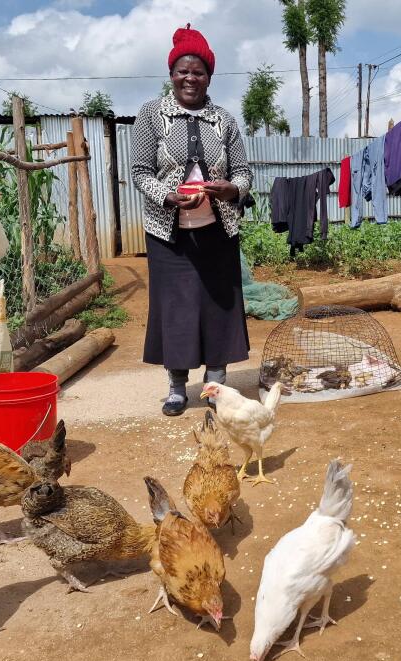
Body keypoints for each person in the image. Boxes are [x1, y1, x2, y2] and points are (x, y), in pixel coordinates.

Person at [131, 24, 253, 416]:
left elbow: (245, 174)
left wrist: (230, 190)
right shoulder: (152, 114)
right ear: (171, 74)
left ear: (208, 77)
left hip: (218, 232)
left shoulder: (225, 120)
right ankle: (177, 387)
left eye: (198, 72)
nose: (190, 78)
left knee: (220, 306)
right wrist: (169, 197)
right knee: (177, 309)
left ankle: (215, 382)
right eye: (183, 70)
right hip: (169, 236)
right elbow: (139, 171)